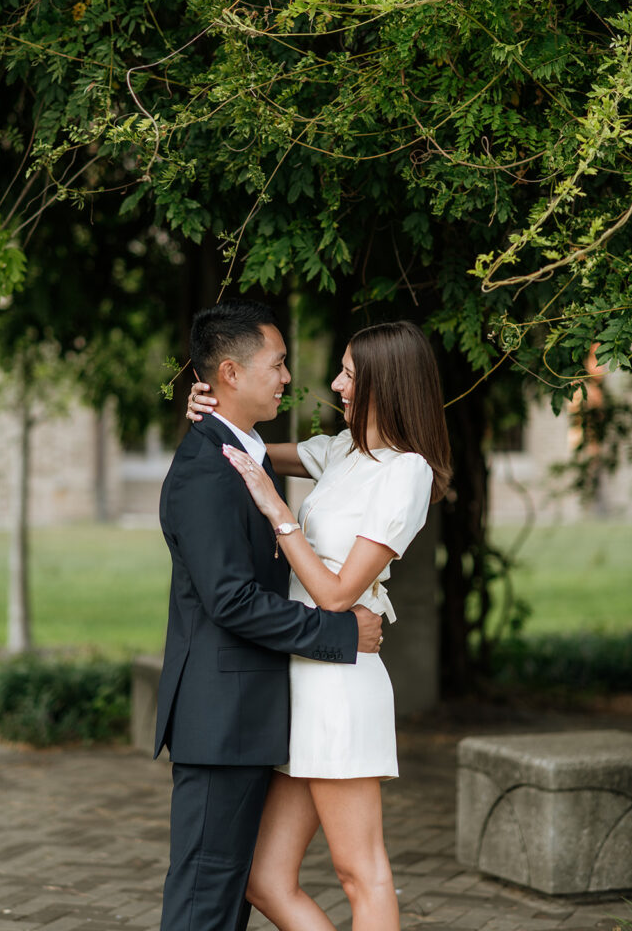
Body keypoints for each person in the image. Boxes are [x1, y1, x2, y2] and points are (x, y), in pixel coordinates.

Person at [187, 318, 451, 930]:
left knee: (361, 871)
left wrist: (279, 510)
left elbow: (336, 594)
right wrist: (206, 408)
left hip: (341, 683)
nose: (335, 384)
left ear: (387, 384)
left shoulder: (404, 472)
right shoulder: (340, 452)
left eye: (351, 375)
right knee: (264, 879)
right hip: (300, 679)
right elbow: (244, 448)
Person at [156, 299, 383, 931]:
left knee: (227, 899)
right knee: (204, 902)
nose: (288, 377)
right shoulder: (206, 470)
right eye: (277, 364)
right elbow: (230, 600)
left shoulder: (244, 452)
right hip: (219, 720)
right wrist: (341, 632)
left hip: (245, 715)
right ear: (230, 373)